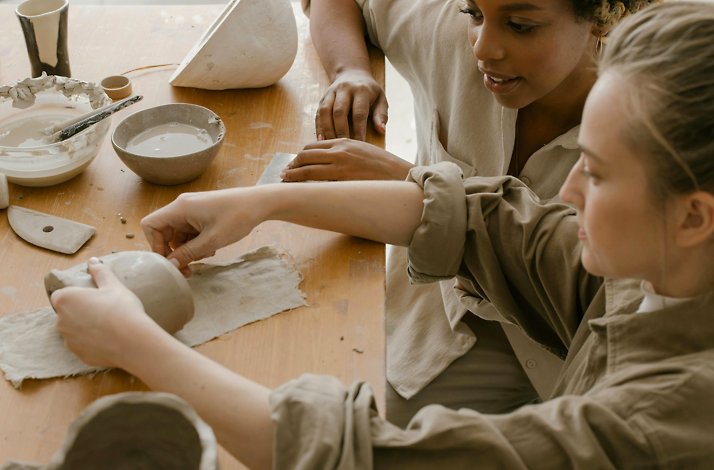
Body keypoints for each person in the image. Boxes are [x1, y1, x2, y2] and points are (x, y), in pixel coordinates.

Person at [51, 2, 714, 467]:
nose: (567, 193)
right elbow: (493, 221)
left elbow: (382, 459)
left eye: (593, 175)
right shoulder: (658, 277)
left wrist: (134, 344)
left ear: (694, 215)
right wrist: (261, 202)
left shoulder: (662, 426)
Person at [286, 0, 654, 425]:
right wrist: (349, 70)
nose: (483, 48)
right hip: (438, 329)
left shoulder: (658, 119)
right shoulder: (446, 37)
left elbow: (623, 297)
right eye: (473, 13)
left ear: (603, 17)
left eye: (520, 25)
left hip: (588, 362)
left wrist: (413, 182)